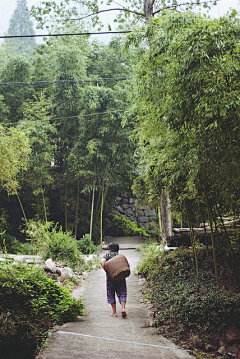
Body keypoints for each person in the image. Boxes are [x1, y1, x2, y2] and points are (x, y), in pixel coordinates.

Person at [101, 242, 128, 318]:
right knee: (122, 292)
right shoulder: (120, 256)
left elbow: (102, 262)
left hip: (111, 277)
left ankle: (114, 313)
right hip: (121, 277)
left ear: (110, 250)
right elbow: (127, 265)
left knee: (111, 293)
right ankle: (123, 308)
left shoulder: (107, 255)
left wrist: (107, 270)